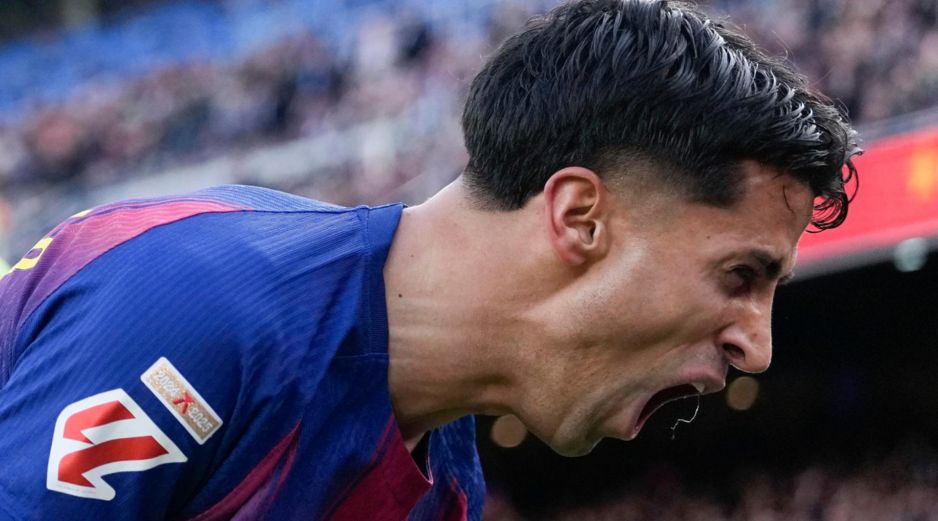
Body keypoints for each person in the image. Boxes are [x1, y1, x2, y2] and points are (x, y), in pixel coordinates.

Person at [0, 0, 859, 519]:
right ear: (579, 216)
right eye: (740, 276)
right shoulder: (201, 306)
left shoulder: (443, 490)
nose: (757, 347)